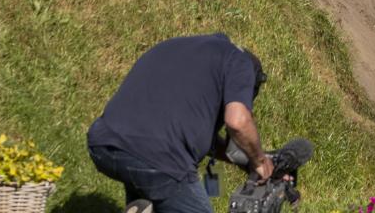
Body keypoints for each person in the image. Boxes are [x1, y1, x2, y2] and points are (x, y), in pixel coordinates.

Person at [87, 33, 271, 213]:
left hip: (104, 142)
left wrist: (245, 160)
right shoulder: (241, 62)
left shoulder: (183, 47)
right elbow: (238, 121)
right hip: (158, 159)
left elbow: (191, 135)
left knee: (149, 183)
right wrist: (259, 161)